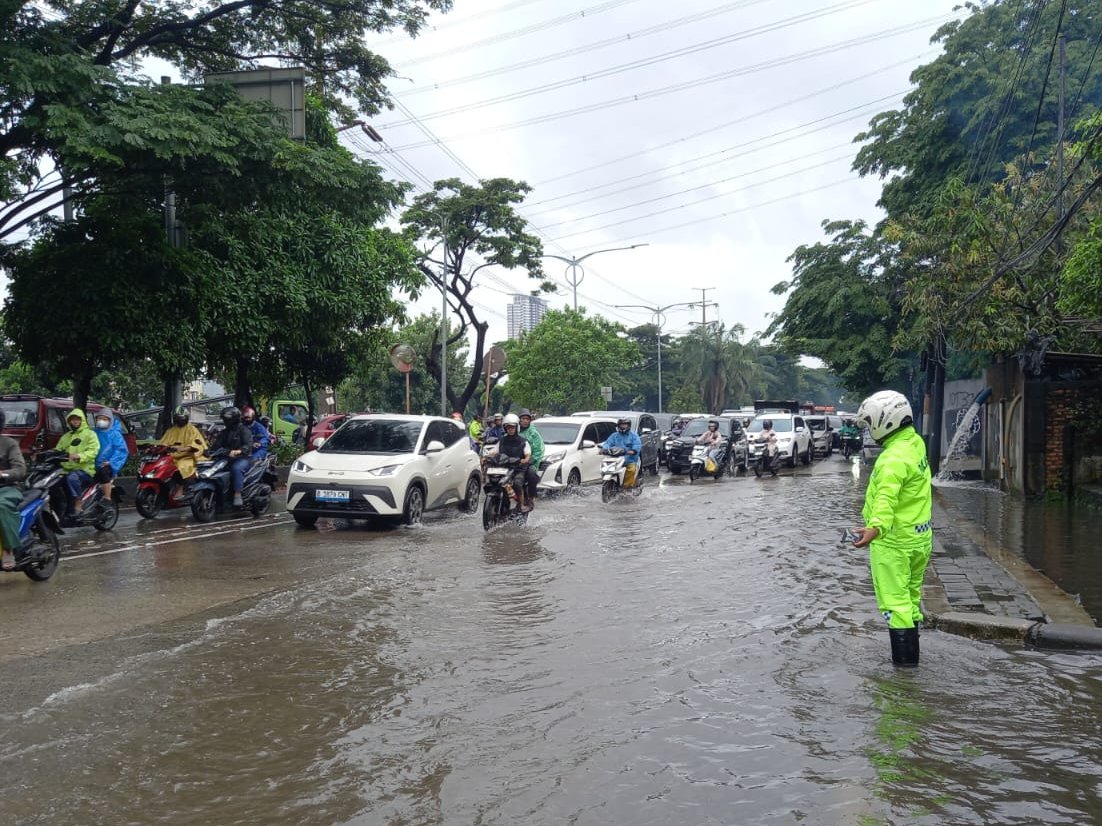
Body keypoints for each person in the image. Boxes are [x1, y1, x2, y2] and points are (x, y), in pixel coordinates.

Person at [851, 390, 932, 668]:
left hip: (894, 544)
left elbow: (886, 498)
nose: (870, 429)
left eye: (870, 421)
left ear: (884, 421)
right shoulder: (915, 444)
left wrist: (874, 529)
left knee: (894, 606)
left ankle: (905, 676)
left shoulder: (891, 459)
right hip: (920, 539)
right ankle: (913, 663)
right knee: (909, 600)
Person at [57, 409, 100, 516]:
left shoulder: (90, 434)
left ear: (82, 421)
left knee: (72, 477)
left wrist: (80, 456)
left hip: (85, 470)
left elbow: (93, 450)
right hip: (66, 469)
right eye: (72, 419)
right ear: (69, 421)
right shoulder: (66, 436)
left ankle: (78, 501)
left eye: (77, 419)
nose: (75, 421)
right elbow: (57, 450)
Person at [0, 410, 28, 571]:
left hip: (7, 488)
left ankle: (8, 550)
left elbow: (20, 469)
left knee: (1, 506)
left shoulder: (9, 443)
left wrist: (3, 474)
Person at [211, 406, 253, 507]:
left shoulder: (244, 430)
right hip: (226, 458)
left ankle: (237, 494)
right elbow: (216, 446)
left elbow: (248, 445)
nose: (225, 421)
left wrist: (239, 451)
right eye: (224, 419)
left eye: (227, 419)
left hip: (243, 459)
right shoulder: (224, 432)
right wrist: (209, 451)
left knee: (236, 468)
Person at [159, 405, 208, 487]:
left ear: (186, 418)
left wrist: (183, 449)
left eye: (182, 418)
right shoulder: (171, 430)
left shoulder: (192, 429)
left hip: (187, 457)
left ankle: (189, 489)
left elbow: (197, 446)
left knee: (184, 466)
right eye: (178, 418)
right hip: (171, 457)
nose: (180, 420)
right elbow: (163, 444)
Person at [492, 413, 532, 508]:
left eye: (512, 427)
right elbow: (494, 451)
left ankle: (521, 504)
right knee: (493, 481)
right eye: (508, 427)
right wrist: (486, 457)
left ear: (516, 428)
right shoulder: (502, 440)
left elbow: (527, 454)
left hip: (518, 468)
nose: (510, 429)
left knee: (517, 483)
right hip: (503, 468)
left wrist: (525, 460)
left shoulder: (523, 441)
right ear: (505, 428)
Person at [93, 409, 130, 502]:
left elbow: (121, 451)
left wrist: (111, 462)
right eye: (99, 418)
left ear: (110, 420)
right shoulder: (94, 432)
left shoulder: (115, 434)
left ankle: (107, 498)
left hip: (107, 464)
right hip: (92, 463)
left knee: (103, 473)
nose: (101, 421)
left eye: (104, 419)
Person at [599, 417, 643, 489]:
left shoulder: (634, 436)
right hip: (616, 459)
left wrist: (632, 451)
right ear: (618, 425)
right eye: (621, 425)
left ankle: (626, 487)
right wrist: (603, 449)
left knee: (631, 470)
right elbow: (608, 443)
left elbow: (637, 445)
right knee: (605, 468)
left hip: (630, 460)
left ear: (628, 425)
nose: (623, 426)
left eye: (625, 424)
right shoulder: (614, 435)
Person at [517, 409, 543, 508]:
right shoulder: (514, 430)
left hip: (529, 462)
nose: (525, 421)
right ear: (519, 420)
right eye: (523, 418)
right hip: (514, 461)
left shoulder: (533, 433)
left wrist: (530, 460)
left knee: (532, 475)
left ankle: (531, 498)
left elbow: (538, 450)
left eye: (527, 419)